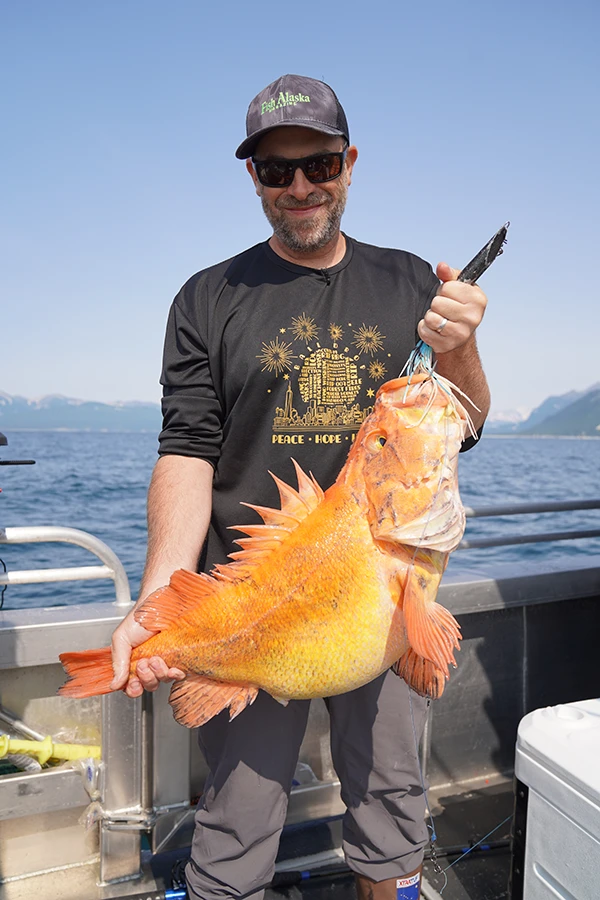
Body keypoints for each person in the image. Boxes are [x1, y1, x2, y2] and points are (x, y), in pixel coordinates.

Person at [110, 74, 490, 900]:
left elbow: (463, 422)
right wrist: (159, 594)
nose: (301, 187)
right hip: (256, 602)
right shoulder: (206, 298)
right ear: (253, 176)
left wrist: (460, 346)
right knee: (235, 821)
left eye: (319, 164)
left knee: (393, 806)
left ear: (349, 163)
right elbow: (186, 450)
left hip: (383, 595)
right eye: (277, 171)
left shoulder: (410, 283)